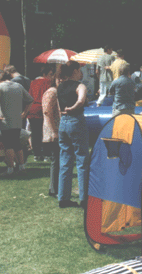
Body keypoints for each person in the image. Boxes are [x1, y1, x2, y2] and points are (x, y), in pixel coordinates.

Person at [57, 61, 89, 208]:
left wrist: (65, 110)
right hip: (76, 120)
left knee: (65, 160)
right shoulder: (80, 85)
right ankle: (84, 199)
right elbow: (81, 100)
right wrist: (73, 108)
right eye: (79, 70)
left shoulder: (60, 86)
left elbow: (59, 108)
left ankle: (63, 198)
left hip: (63, 123)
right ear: (75, 71)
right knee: (82, 160)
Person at [0, 71, 33, 176]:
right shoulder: (18, 86)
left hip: (5, 121)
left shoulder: (0, 87)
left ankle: (10, 169)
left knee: (8, 145)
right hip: (17, 121)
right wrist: (24, 113)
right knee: (17, 144)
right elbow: (30, 100)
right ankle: (22, 167)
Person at [27, 64, 55, 162]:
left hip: (32, 109)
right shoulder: (47, 82)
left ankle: (37, 154)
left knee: (35, 133)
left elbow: (29, 96)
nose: (52, 76)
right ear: (45, 74)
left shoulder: (33, 82)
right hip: (42, 108)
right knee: (45, 132)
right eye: (51, 74)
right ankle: (47, 154)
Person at [42, 74, 61, 197]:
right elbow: (47, 111)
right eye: (61, 79)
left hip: (56, 130)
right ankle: (54, 189)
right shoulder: (52, 92)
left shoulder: (56, 92)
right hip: (53, 131)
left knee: (58, 160)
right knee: (56, 160)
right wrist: (54, 131)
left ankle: (55, 188)